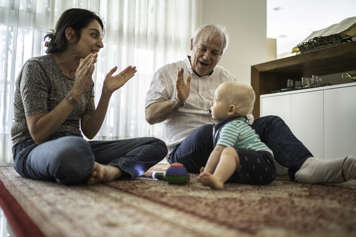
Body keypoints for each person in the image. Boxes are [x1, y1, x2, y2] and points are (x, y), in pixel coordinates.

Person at [145, 24, 356, 184]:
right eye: (203, 48)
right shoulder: (168, 73)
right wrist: (177, 101)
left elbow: (245, 115)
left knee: (271, 122)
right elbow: (150, 116)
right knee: (206, 132)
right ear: (192, 45)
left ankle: (304, 166)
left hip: (226, 136)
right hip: (186, 149)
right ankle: (273, 165)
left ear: (221, 54)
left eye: (215, 52)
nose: (207, 56)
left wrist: (241, 121)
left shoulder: (226, 77)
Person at [11, 8, 167, 185]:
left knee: (155, 146)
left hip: (77, 146)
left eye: (101, 38)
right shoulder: (36, 68)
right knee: (75, 151)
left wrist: (106, 94)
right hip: (33, 149)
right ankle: (83, 165)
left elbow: (89, 131)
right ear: (70, 34)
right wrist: (75, 92)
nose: (101, 44)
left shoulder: (85, 76)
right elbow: (38, 133)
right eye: (94, 35)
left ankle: (113, 171)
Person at [198, 81, 275, 189]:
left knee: (228, 151)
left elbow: (218, 151)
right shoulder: (230, 124)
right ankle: (218, 175)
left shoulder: (232, 125)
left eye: (215, 101)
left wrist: (207, 171)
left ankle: (218, 180)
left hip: (264, 162)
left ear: (230, 110)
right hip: (252, 166)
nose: (211, 104)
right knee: (229, 155)